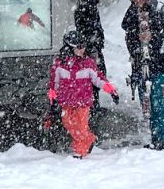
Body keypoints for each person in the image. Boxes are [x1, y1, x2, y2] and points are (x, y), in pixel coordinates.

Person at [121, 0, 164, 150]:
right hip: (142, 64)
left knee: (156, 98)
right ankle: (157, 137)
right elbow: (126, 27)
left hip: (160, 63)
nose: (137, 1)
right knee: (148, 101)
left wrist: (153, 36)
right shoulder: (134, 12)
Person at [47, 30, 120, 158]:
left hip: (83, 101)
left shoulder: (87, 63)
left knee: (81, 126)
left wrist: (111, 90)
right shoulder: (59, 64)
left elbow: (99, 79)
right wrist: (53, 101)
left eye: (84, 46)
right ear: (70, 48)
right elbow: (54, 84)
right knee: (69, 124)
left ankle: (80, 151)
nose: (83, 50)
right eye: (79, 47)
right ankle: (90, 139)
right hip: (66, 101)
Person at [73, 0, 107, 108]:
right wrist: (94, 45)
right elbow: (88, 30)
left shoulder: (87, 5)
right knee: (93, 77)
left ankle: (92, 105)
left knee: (94, 76)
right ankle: (92, 106)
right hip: (90, 49)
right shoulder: (87, 7)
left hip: (91, 48)